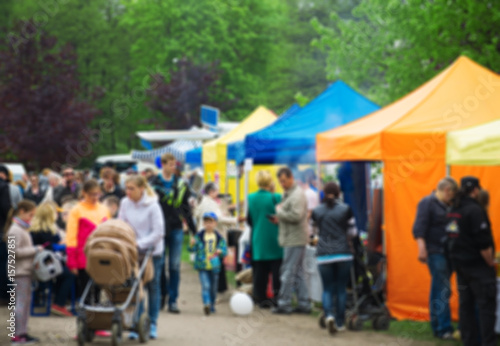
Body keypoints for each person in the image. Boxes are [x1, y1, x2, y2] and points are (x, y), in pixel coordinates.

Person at [446, 177, 497, 346]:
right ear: (475, 190)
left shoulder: (454, 208)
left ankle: (469, 341)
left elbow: (450, 236)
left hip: (461, 266)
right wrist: (491, 262)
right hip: (478, 267)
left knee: (466, 306)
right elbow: (483, 243)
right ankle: (487, 342)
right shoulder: (475, 210)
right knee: (486, 307)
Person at [118, 175, 165, 340]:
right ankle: (135, 323)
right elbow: (121, 224)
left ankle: (152, 323)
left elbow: (159, 232)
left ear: (141, 189)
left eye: (131, 188)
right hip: (133, 251)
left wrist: (140, 243)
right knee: (135, 287)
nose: (128, 192)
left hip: (153, 252)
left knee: (152, 286)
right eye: (126, 188)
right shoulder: (125, 203)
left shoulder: (153, 206)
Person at [412, 177, 457, 340]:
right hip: (435, 251)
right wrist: (422, 248)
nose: (453, 197)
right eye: (453, 193)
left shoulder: (448, 205)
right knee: (443, 289)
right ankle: (444, 328)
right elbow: (419, 228)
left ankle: (438, 326)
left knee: (439, 288)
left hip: (448, 252)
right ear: (447, 190)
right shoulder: (427, 203)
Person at [151, 153, 196, 313]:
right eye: (170, 164)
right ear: (162, 164)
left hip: (176, 228)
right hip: (159, 230)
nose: (173, 167)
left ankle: (173, 300)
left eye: (174, 164)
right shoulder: (153, 184)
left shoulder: (181, 184)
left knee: (175, 266)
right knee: (160, 265)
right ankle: (162, 294)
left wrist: (193, 231)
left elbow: (186, 209)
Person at [312, 182, 356, 334]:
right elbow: (353, 232)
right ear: (339, 193)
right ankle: (339, 323)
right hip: (343, 253)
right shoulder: (346, 209)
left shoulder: (317, 211)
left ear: (324, 193)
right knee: (341, 289)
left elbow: (314, 231)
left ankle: (329, 315)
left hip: (324, 254)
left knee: (328, 289)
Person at [271, 167, 310, 315]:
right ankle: (304, 303)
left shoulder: (297, 194)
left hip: (294, 239)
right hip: (293, 237)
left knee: (287, 272)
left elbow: (296, 216)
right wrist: (279, 219)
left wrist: (279, 212)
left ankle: (284, 303)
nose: (282, 184)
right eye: (280, 181)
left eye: (284, 181)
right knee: (298, 272)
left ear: (291, 177)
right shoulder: (289, 193)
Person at [5, 200, 43, 344]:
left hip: (24, 270)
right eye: (30, 214)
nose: (31, 218)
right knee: (20, 304)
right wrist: (35, 250)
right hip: (19, 272)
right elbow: (13, 252)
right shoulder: (15, 230)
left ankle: (22, 332)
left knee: (24, 303)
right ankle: (17, 334)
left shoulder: (20, 229)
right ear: (21, 212)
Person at [66, 180, 109, 304]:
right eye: (91, 194)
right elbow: (71, 236)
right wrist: (72, 260)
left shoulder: (104, 209)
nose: (95, 197)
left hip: (101, 253)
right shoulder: (76, 210)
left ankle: (97, 316)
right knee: (85, 288)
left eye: (97, 194)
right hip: (83, 254)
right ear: (84, 193)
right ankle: (86, 316)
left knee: (98, 288)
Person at [29, 202, 75, 317]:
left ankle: (57, 300)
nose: (57, 215)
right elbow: (54, 247)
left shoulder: (33, 229)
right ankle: (59, 304)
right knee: (70, 274)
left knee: (62, 272)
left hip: (36, 265)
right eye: (55, 212)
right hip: (46, 265)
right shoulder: (48, 231)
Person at [247, 170, 283, 308]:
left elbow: (249, 220)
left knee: (260, 271)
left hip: (258, 237)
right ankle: (277, 298)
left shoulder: (250, 198)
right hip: (275, 238)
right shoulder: (277, 197)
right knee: (276, 271)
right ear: (270, 182)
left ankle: (260, 298)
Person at [189, 212, 227, 315]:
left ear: (215, 223)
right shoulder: (198, 236)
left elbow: (224, 250)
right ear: (203, 223)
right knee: (205, 286)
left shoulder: (219, 237)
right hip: (202, 265)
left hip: (215, 266)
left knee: (213, 288)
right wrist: (192, 244)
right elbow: (191, 250)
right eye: (206, 222)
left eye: (211, 222)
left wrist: (220, 251)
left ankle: (212, 304)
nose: (208, 224)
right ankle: (207, 304)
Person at [0, 165, 13, 305]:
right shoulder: (4, 187)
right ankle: (5, 295)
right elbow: (6, 208)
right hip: (2, 230)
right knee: (5, 263)